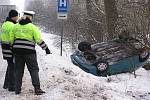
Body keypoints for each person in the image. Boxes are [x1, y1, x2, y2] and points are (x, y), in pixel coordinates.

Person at [10, 11, 51, 95]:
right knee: (33, 69)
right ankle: (37, 89)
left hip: (17, 51)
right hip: (29, 52)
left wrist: (13, 48)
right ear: (30, 17)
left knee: (18, 70)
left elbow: (11, 39)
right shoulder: (32, 27)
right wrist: (46, 48)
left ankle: (17, 89)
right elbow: (38, 39)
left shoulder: (15, 26)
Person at [0, 9, 19, 91]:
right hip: (10, 48)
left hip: (4, 48)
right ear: (14, 17)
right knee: (13, 67)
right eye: (17, 16)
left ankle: (6, 84)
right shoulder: (12, 26)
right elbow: (13, 38)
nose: (18, 17)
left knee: (10, 66)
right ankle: (11, 86)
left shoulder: (4, 24)